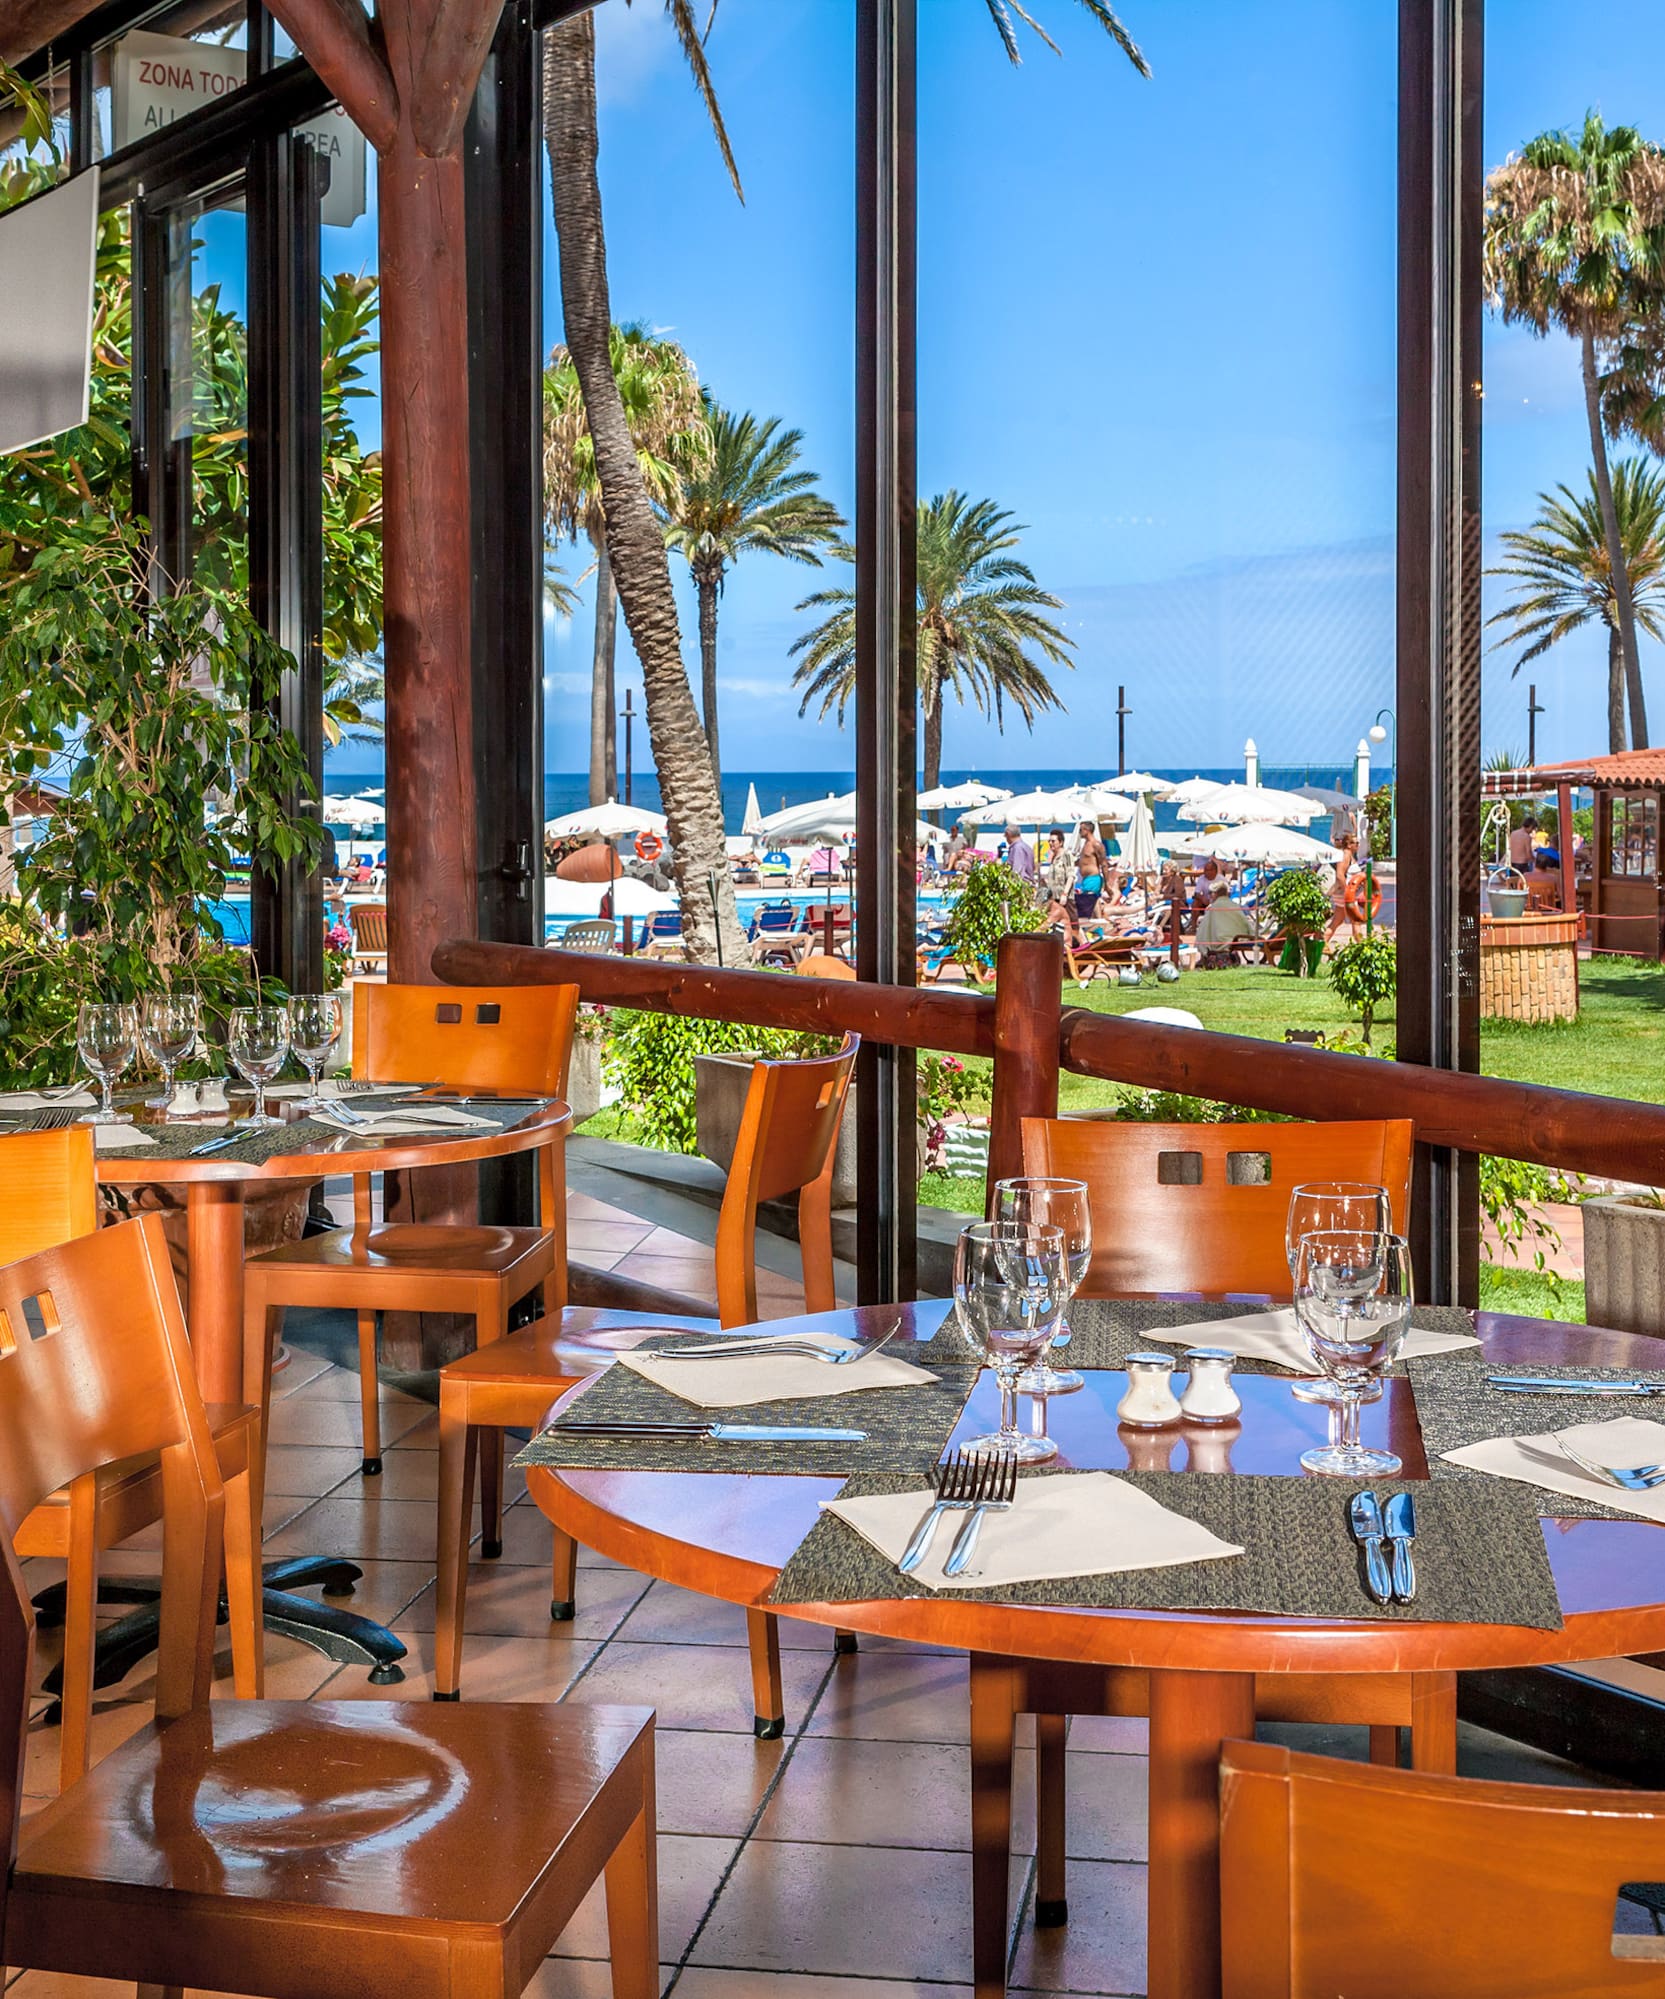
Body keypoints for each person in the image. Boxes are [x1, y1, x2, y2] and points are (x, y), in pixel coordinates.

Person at [1325, 832, 1361, 942]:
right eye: (1355, 843)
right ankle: (1363, 946)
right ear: (1349, 845)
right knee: (1356, 921)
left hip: (1343, 894)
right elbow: (1340, 875)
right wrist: (1347, 891)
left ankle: (1322, 943)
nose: (1358, 845)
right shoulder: (1345, 855)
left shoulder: (1349, 855)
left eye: (1358, 843)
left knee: (1337, 921)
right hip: (1345, 894)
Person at [1074, 818, 1108, 920]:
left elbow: (1104, 864)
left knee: (1092, 902)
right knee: (1091, 904)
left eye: (1081, 830)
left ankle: (1099, 923)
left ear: (1087, 830)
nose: (1079, 832)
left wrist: (1107, 884)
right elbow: (1084, 861)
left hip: (1093, 878)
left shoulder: (1096, 845)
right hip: (1085, 879)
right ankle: (1096, 925)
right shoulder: (1085, 844)